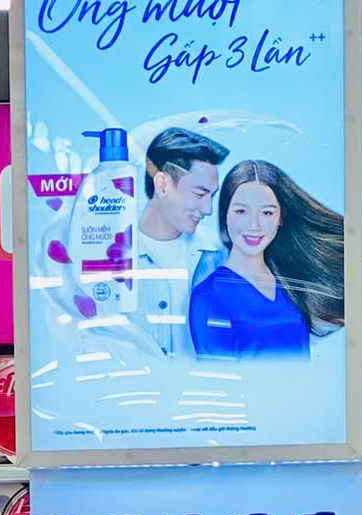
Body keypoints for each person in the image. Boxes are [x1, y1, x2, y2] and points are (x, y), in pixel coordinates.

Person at [189, 159, 345, 360]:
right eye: (241, 211)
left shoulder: (291, 281)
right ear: (225, 214)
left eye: (267, 212)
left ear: (281, 218)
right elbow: (217, 374)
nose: (254, 225)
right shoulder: (208, 296)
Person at [133, 126, 226, 356]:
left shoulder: (218, 255)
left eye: (212, 196)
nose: (208, 209)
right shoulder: (109, 253)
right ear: (162, 185)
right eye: (199, 194)